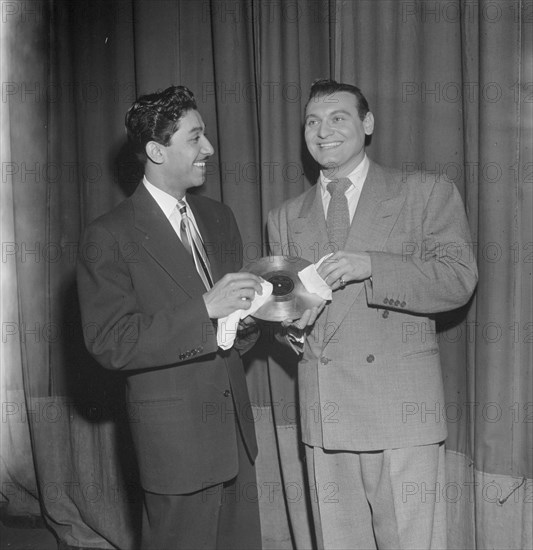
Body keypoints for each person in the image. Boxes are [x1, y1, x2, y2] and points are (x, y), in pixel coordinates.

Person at [267, 79, 478, 549]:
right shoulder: (283, 217)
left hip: (402, 412)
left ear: (367, 124)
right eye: (312, 122)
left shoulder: (424, 192)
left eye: (338, 118)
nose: (323, 132)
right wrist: (292, 330)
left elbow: (459, 279)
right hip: (327, 413)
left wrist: (373, 267)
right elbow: (287, 318)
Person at [77, 85, 263, 549]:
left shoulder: (220, 218)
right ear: (156, 151)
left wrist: (256, 318)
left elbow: (232, 334)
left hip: (235, 438)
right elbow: (112, 342)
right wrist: (206, 308)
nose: (210, 149)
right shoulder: (108, 236)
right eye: (195, 138)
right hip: (175, 448)